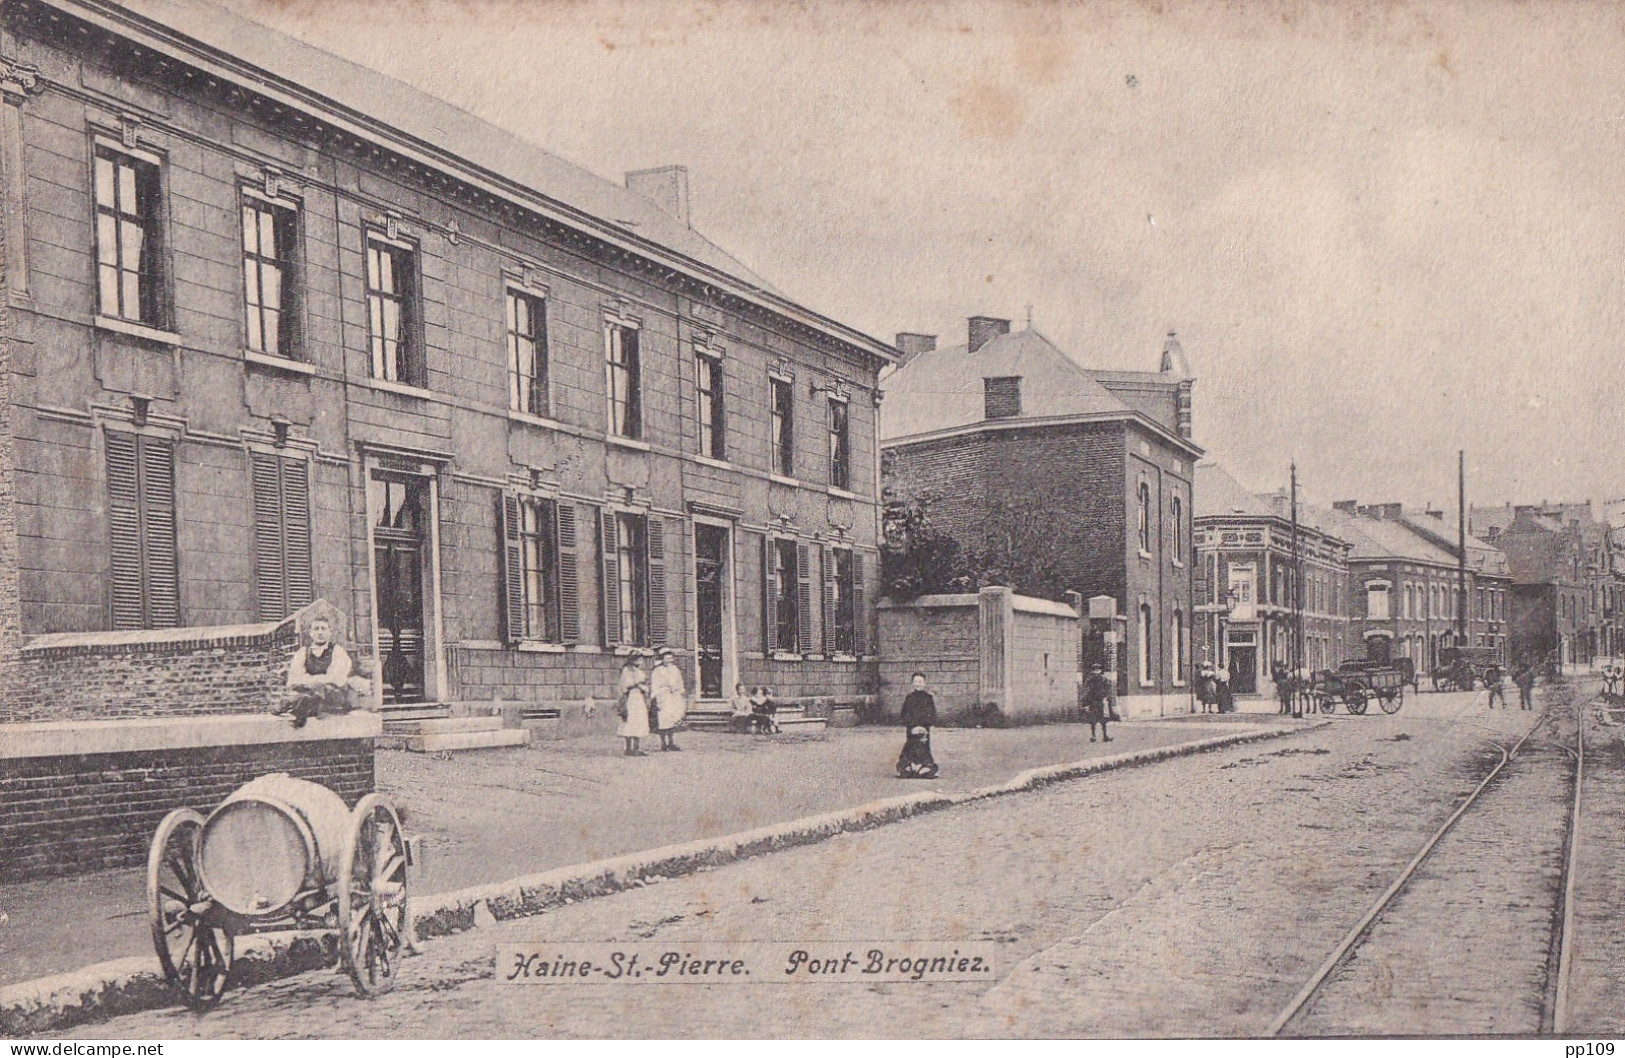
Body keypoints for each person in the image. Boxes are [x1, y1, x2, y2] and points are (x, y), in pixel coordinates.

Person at [277, 615, 362, 728]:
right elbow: (295, 678)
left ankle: (293, 705)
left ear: (330, 632)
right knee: (309, 695)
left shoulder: (337, 651)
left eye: (323, 629)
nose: (320, 632)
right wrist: (319, 680)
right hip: (312, 693)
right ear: (311, 633)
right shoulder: (303, 653)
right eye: (316, 629)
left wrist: (311, 681)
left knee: (318, 692)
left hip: (332, 696)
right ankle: (304, 703)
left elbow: (336, 678)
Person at [896, 672, 940, 778]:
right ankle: (908, 768)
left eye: (920, 682)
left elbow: (932, 713)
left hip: (924, 730)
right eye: (915, 681)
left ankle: (924, 768)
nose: (918, 684)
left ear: (924, 683)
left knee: (924, 748)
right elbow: (904, 713)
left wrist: (923, 726)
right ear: (912, 683)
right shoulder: (909, 697)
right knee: (910, 747)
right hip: (911, 729)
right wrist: (912, 726)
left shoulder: (928, 698)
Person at [649, 647, 688, 751]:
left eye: (671, 658)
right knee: (663, 720)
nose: (669, 660)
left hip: (673, 696)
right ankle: (663, 742)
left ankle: (671, 742)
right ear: (662, 659)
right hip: (663, 696)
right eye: (667, 658)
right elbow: (655, 685)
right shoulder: (657, 671)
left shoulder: (675, 670)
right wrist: (657, 695)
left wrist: (679, 690)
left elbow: (680, 682)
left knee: (672, 719)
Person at [616, 652, 651, 756]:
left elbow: (644, 685)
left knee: (639, 721)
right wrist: (636, 683)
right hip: (630, 698)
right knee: (629, 721)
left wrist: (642, 687)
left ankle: (636, 748)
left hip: (639, 698)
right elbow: (625, 685)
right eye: (639, 660)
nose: (641, 662)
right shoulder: (627, 671)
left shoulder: (639, 671)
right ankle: (628, 748)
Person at [1081, 662, 1114, 743]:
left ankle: (1103, 736)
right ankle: (1094, 736)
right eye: (1095, 670)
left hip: (1100, 701)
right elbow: (1087, 691)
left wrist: (1106, 697)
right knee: (1094, 719)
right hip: (1094, 701)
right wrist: (1086, 702)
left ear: (1100, 670)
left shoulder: (1103, 679)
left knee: (1102, 719)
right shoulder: (1091, 680)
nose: (1096, 671)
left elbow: (1107, 689)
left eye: (1098, 670)